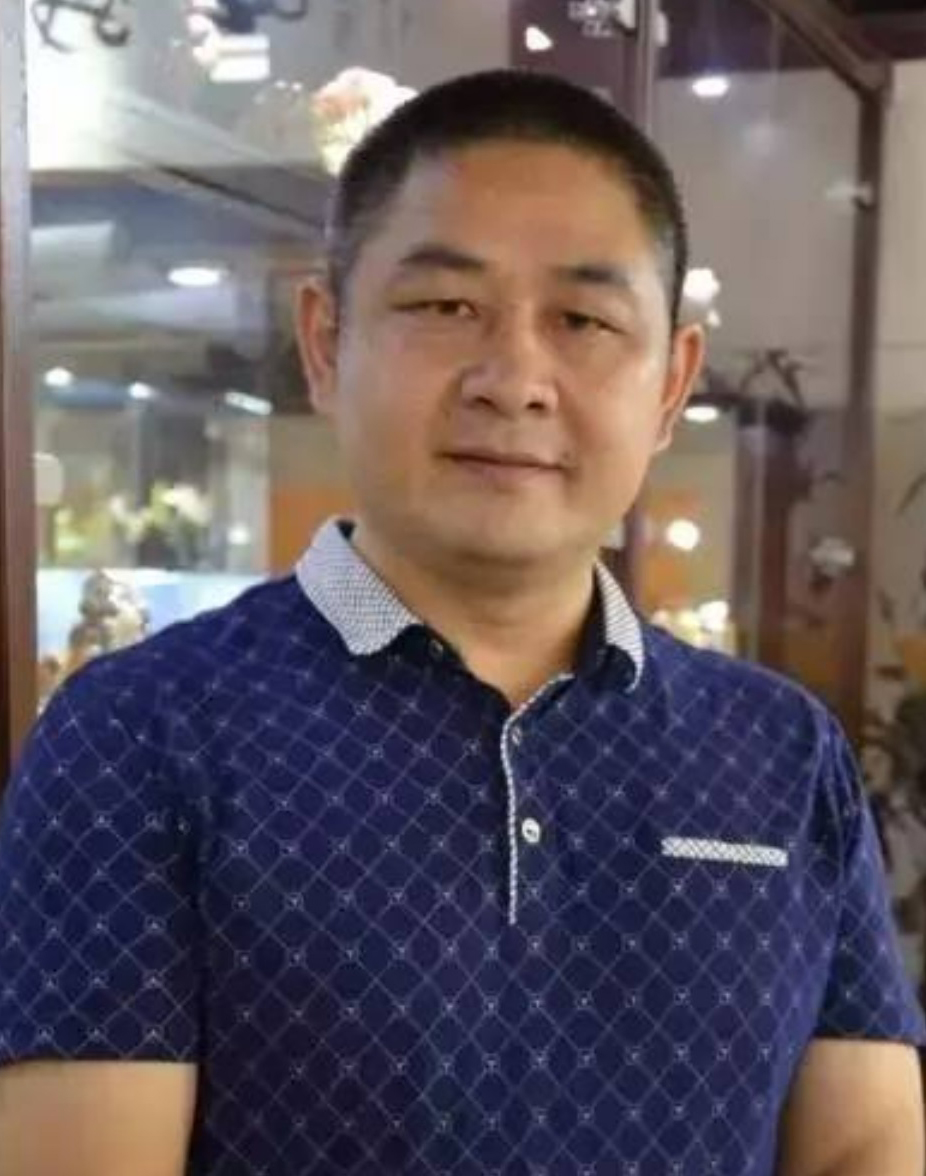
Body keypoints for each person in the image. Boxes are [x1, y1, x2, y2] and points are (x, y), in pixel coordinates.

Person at [0, 69, 923, 1176]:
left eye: (583, 320)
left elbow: (863, 1145)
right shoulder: (139, 735)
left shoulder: (783, 751)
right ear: (326, 343)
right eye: (445, 308)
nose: (513, 379)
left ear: (671, 385)